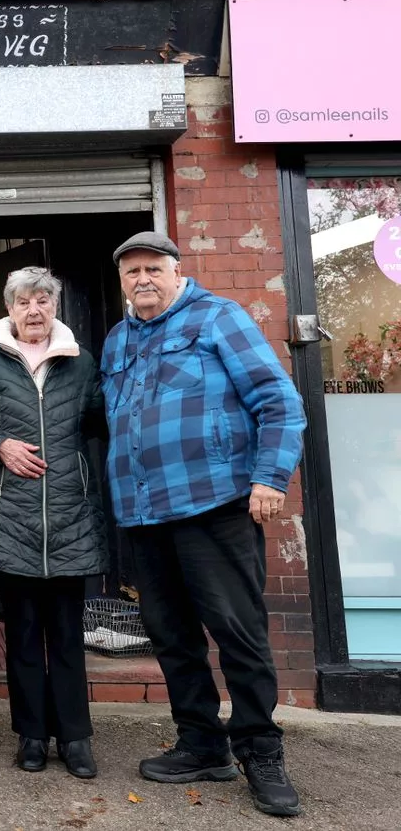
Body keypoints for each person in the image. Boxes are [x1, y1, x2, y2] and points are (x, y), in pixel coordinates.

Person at [100, 231, 307, 817]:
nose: (142, 280)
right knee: (171, 636)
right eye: (131, 271)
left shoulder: (219, 317)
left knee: (238, 633)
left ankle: (261, 752)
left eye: (152, 269)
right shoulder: (118, 341)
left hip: (214, 503)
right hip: (143, 511)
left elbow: (278, 399)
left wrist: (269, 478)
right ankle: (201, 744)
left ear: (175, 271)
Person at [0, 266, 108, 779]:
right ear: (9, 309)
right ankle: (32, 736)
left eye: (42, 301)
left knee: (66, 637)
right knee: (22, 636)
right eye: (23, 302)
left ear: (54, 306)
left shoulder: (81, 362)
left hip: (69, 517)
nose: (33, 311)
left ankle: (75, 739)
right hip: (9, 519)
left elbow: (101, 423)